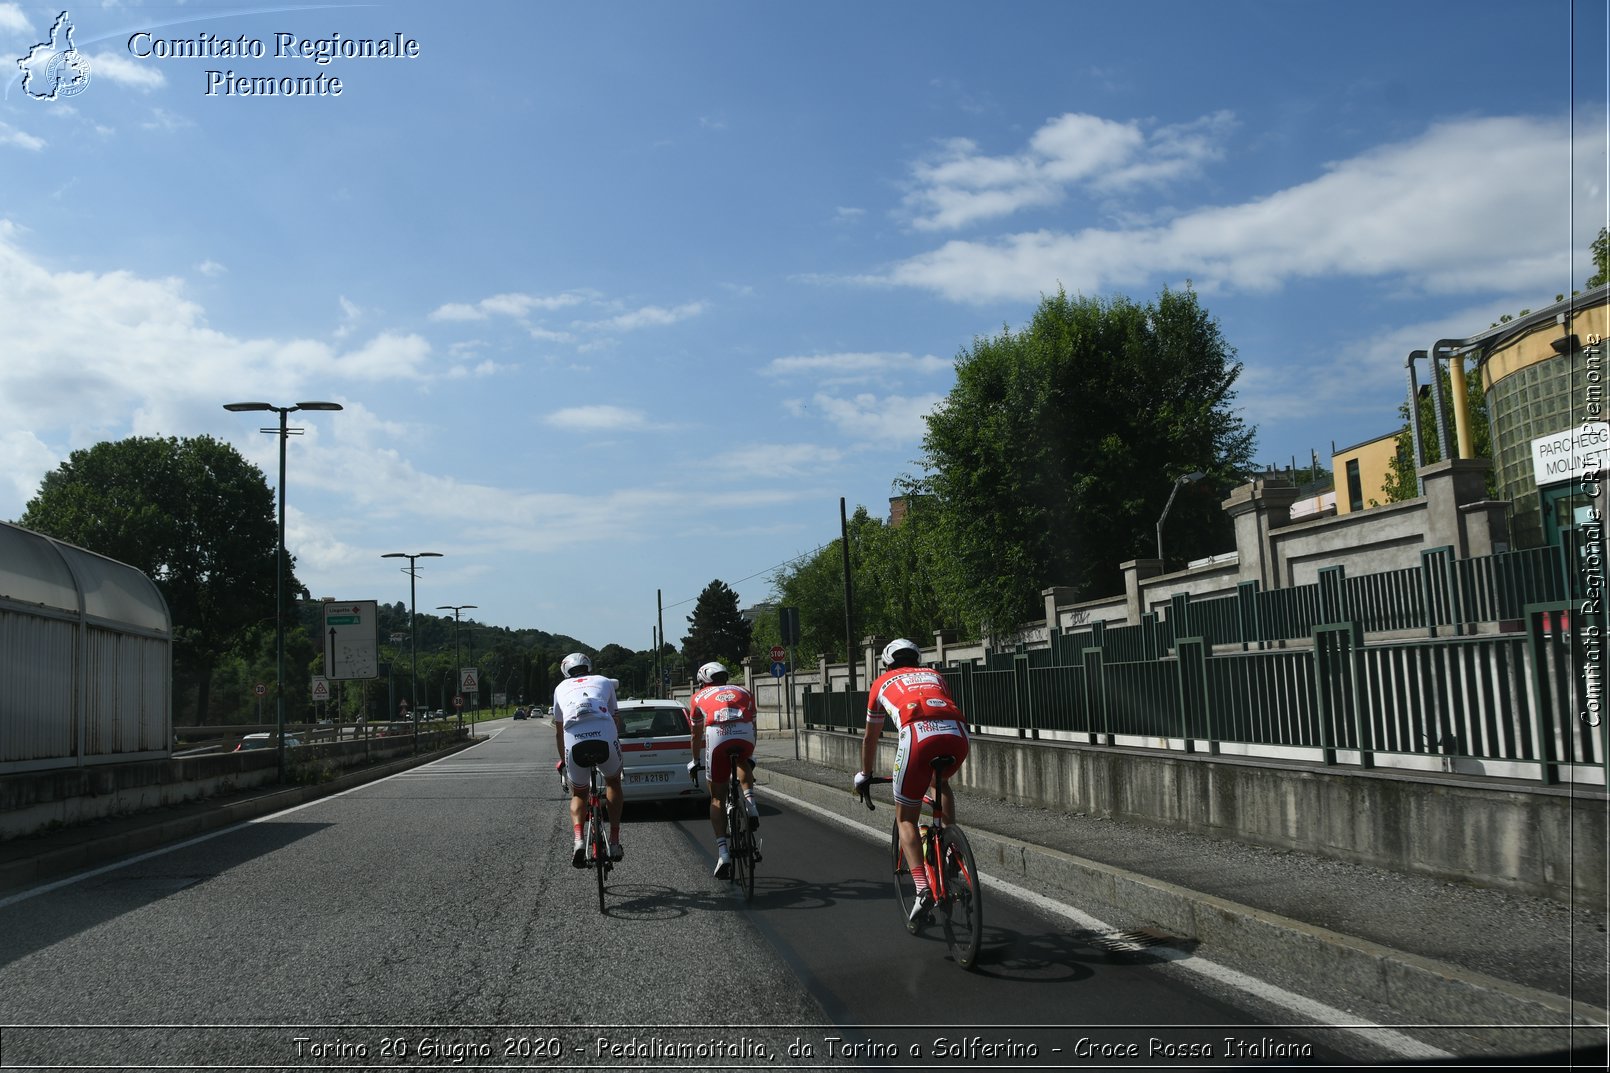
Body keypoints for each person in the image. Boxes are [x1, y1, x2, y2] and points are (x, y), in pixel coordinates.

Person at [853, 637, 970, 923]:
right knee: (939, 783)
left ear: (887, 663)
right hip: (957, 733)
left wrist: (865, 774)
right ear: (917, 659)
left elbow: (871, 737)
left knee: (905, 817)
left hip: (918, 735)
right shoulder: (934, 675)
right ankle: (950, 849)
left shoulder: (881, 682)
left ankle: (921, 889)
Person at [551, 652, 627, 866]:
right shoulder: (604, 681)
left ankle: (578, 841)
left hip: (574, 740)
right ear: (589, 667)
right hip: (604, 735)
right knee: (613, 781)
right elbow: (616, 721)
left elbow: (558, 732)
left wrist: (564, 762)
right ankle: (613, 840)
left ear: (565, 671)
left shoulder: (559, 689)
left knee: (580, 793)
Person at [687, 660, 759, 878]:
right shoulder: (743, 690)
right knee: (742, 763)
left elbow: (695, 734)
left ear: (703, 682)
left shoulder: (698, 697)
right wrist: (750, 753)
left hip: (717, 736)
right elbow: (753, 724)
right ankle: (751, 805)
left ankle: (723, 853)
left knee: (716, 798)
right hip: (745, 734)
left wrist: (695, 759)